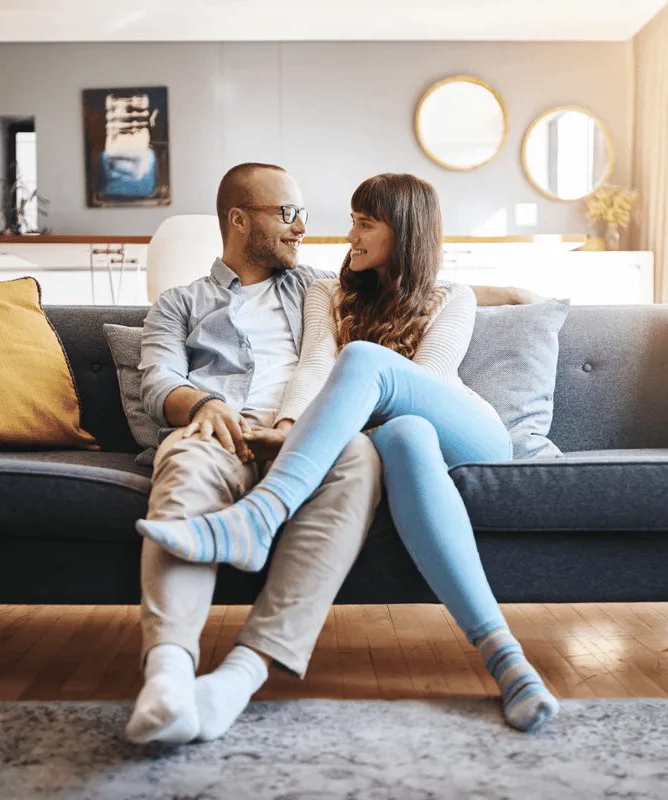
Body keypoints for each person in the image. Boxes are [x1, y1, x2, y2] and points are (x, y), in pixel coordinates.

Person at [137, 172, 560, 734]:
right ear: (240, 218)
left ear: (402, 231)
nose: (326, 232)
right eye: (290, 212)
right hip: (378, 432)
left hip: (466, 429)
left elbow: (428, 375)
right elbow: (312, 366)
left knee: (362, 364)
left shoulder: (447, 296)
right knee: (401, 435)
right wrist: (276, 423)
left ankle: (260, 517)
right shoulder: (321, 291)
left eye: (363, 224)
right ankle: (509, 663)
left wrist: (516, 295)